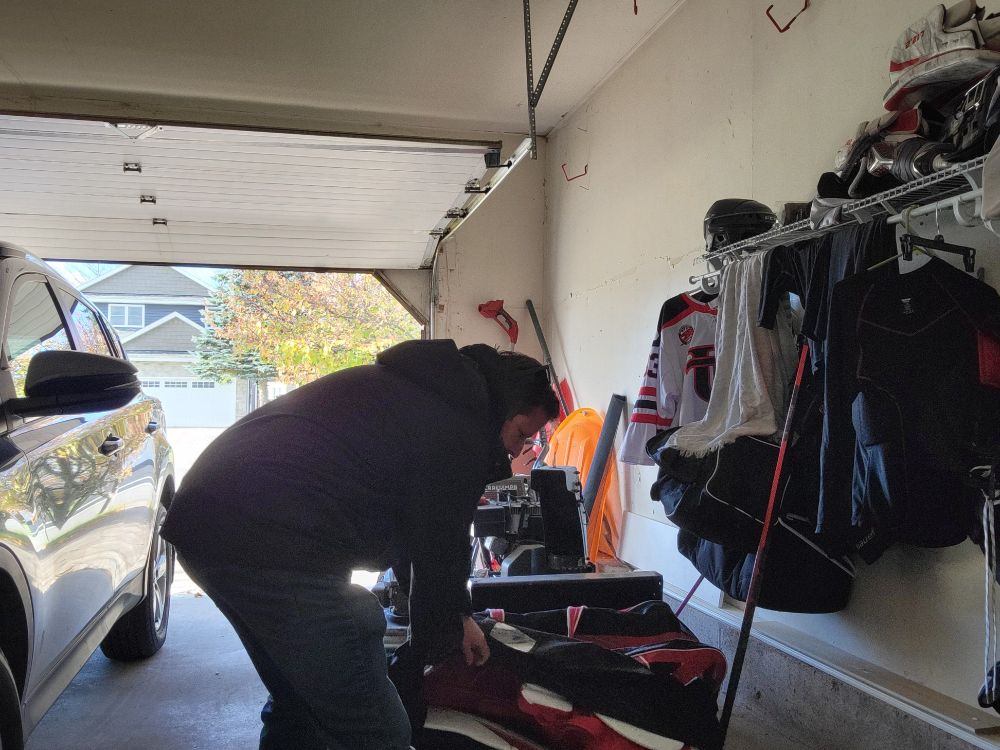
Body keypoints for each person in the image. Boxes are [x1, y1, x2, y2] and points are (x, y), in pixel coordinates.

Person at [160, 339, 559, 750]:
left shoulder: (423, 393)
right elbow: (440, 541)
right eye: (521, 434)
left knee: (304, 699)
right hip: (271, 537)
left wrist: (454, 616)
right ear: (503, 407)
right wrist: (443, 634)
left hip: (207, 523)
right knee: (374, 726)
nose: (517, 450)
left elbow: (418, 531)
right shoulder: (457, 425)